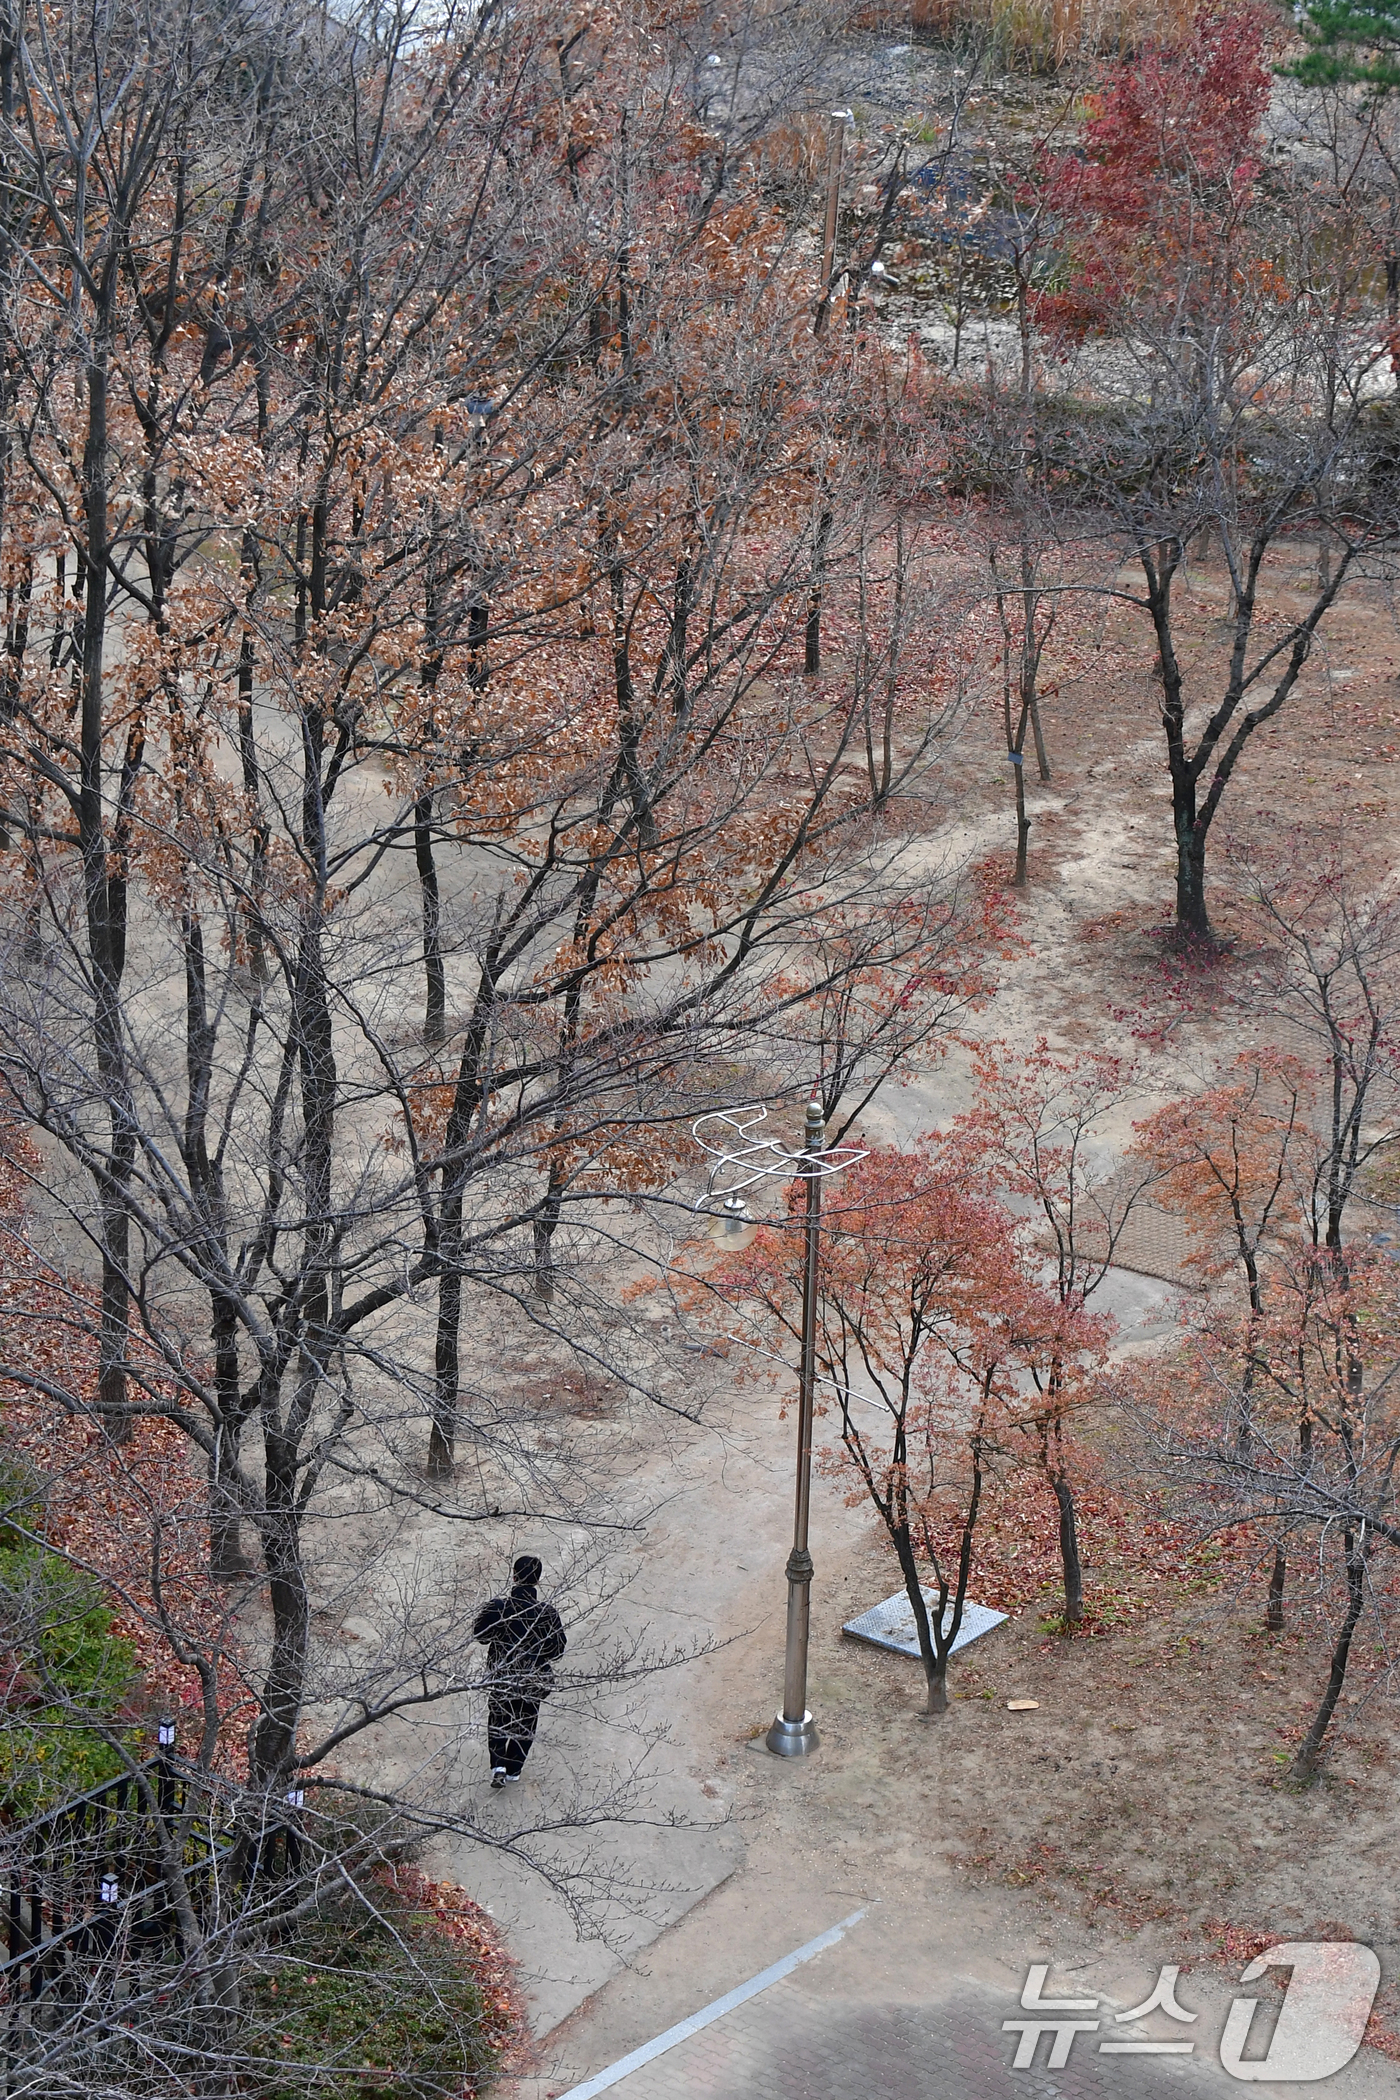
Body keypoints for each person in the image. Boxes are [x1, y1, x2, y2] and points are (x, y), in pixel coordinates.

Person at [472, 1554, 566, 1788]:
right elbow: (557, 1649)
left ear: (513, 1576)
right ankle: (514, 1769)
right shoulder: (547, 1613)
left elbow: (480, 1636)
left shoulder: (498, 1607)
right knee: (526, 1721)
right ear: (538, 1580)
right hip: (532, 1679)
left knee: (498, 1718)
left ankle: (498, 1766)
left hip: (501, 1676)